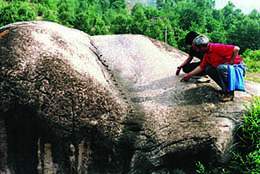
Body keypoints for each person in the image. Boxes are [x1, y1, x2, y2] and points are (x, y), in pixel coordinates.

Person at [181, 35, 245, 101]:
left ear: (203, 46)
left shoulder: (216, 47)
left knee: (220, 68)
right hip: (228, 69)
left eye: (198, 48)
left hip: (237, 68)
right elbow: (201, 67)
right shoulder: (207, 54)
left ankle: (229, 93)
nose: (197, 50)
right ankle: (225, 89)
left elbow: (236, 48)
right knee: (208, 69)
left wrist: (231, 62)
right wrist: (189, 75)